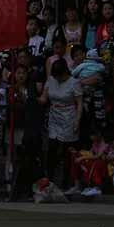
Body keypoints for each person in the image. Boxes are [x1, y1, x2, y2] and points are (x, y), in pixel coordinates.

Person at [40, 58, 80, 189]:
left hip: (68, 116)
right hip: (54, 116)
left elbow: (79, 104)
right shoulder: (51, 80)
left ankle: (66, 182)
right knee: (52, 148)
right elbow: (44, 98)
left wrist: (77, 121)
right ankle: (49, 179)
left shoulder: (74, 83)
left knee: (65, 150)